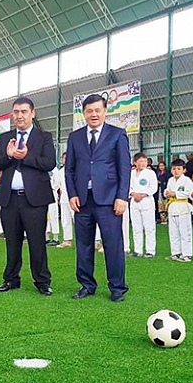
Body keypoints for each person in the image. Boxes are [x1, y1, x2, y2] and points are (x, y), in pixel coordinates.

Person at [65, 94, 130, 302]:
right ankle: (86, 285)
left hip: (109, 200)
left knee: (113, 244)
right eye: (89, 110)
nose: (94, 114)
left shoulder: (117, 134)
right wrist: (72, 194)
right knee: (83, 245)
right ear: (83, 113)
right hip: (82, 200)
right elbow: (70, 170)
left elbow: (124, 169)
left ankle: (117, 287)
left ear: (105, 111)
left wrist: (121, 196)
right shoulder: (75, 137)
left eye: (97, 110)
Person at [0, 97, 56, 295]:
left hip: (34, 199)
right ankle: (11, 279)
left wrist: (25, 156)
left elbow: (49, 163)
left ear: (32, 113)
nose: (19, 116)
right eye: (16, 112)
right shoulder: (5, 138)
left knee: (37, 242)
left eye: (24, 111)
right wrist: (9, 155)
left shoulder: (44, 137)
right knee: (12, 241)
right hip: (9, 199)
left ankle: (42, 281)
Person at [164, 159, 193, 262]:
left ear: (184, 170)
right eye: (174, 169)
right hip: (172, 207)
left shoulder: (187, 180)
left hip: (183, 206)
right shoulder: (170, 180)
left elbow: (189, 193)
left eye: (178, 169)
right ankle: (175, 253)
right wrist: (167, 193)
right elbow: (166, 190)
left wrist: (175, 193)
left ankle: (186, 254)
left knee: (185, 232)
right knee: (173, 232)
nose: (176, 171)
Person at [129, 153, 157, 258]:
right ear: (135, 162)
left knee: (149, 227)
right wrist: (133, 194)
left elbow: (153, 187)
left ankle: (150, 250)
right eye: (141, 161)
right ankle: (138, 250)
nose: (143, 163)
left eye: (145, 161)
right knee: (136, 227)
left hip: (147, 201)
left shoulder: (150, 173)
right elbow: (127, 186)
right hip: (134, 201)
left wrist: (143, 194)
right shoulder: (131, 173)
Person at [53, 153, 74, 248]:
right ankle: (67, 240)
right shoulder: (60, 171)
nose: (64, 160)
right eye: (63, 158)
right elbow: (56, 185)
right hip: (64, 197)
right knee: (65, 220)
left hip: (74, 197)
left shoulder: (76, 169)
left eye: (66, 158)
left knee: (76, 219)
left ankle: (84, 239)